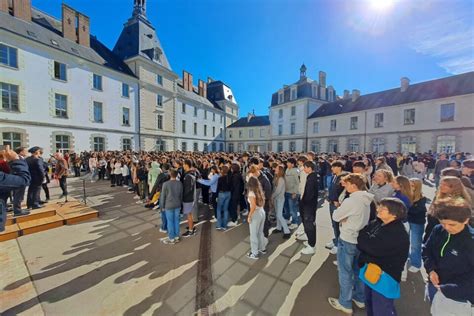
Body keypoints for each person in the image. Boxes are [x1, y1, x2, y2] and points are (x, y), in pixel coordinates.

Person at [329, 173, 373, 314]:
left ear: (353, 186)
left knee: (345, 273)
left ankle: (345, 303)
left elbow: (336, 216)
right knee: (358, 271)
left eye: (347, 184)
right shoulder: (366, 199)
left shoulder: (351, 200)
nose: (345, 186)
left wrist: (344, 217)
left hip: (348, 238)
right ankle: (359, 298)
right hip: (360, 239)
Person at [357, 198, 410, 316]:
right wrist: (364, 239)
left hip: (385, 277)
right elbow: (363, 234)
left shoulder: (397, 233)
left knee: (381, 309)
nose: (378, 209)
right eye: (379, 206)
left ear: (394, 214)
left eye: (383, 208)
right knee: (369, 303)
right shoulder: (379, 222)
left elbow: (367, 245)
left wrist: (363, 239)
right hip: (371, 273)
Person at [422, 199, 473, 316]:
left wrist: (447, 289)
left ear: (466, 220)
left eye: (452, 224)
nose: (446, 228)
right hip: (434, 286)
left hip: (458, 299)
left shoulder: (471, 241)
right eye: (443, 223)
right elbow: (427, 250)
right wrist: (431, 270)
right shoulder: (438, 230)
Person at [424, 176, 472, 243]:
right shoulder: (439, 196)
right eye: (441, 184)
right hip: (433, 229)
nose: (441, 186)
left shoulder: (458, 203)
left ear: (454, 187)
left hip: (447, 233)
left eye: (445, 185)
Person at [0, 145, 31, 231]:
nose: (27, 152)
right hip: (14, 180)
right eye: (25, 150)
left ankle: (18, 209)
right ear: (21, 152)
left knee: (19, 196)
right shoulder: (15, 159)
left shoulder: (23, 159)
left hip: (9, 183)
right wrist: (15, 160)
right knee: (18, 195)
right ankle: (17, 210)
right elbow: (24, 180)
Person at [326, 160, 348, 254]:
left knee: (337, 224)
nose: (332, 168)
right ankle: (336, 239)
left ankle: (338, 245)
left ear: (339, 167)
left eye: (334, 167)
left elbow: (343, 191)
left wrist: (337, 200)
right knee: (334, 224)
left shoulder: (344, 176)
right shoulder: (335, 176)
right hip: (332, 202)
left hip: (337, 204)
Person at [407, 178, 427, 273]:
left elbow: (416, 211)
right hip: (407, 221)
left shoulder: (422, 198)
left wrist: (408, 208)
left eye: (412, 185)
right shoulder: (406, 195)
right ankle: (407, 257)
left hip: (417, 223)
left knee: (415, 244)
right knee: (406, 241)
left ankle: (416, 263)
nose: (410, 187)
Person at [299, 161, 319, 255]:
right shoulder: (312, 176)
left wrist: (303, 202)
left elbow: (309, 194)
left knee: (309, 225)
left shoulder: (312, 178)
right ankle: (310, 242)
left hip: (309, 206)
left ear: (310, 168)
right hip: (309, 205)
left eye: (305, 167)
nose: (304, 169)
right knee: (308, 224)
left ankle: (312, 246)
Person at [159, 168, 183, 244]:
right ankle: (177, 236)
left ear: (170, 175)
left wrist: (162, 206)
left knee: (170, 222)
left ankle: (171, 238)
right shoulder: (180, 183)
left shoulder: (165, 184)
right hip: (177, 204)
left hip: (168, 205)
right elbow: (181, 195)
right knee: (176, 221)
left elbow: (163, 196)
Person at [246, 176, 266, 260]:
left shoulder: (251, 193)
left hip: (255, 213)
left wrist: (249, 215)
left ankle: (254, 253)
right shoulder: (259, 190)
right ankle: (262, 248)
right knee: (260, 232)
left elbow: (253, 206)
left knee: (253, 234)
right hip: (262, 211)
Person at [272, 165, 290, 239]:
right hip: (276, 198)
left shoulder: (281, 179)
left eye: (276, 169)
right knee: (277, 214)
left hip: (280, 199)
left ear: (280, 171)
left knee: (279, 215)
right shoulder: (277, 177)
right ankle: (278, 228)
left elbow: (278, 191)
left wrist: (272, 196)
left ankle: (287, 231)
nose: (275, 169)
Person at [182, 159, 197, 237]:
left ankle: (191, 231)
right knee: (190, 214)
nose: (183, 165)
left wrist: (182, 196)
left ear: (187, 165)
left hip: (188, 199)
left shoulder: (188, 176)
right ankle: (192, 227)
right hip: (190, 198)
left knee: (189, 215)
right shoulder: (191, 174)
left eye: (183, 164)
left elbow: (188, 189)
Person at [284, 158, 300, 230]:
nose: (287, 164)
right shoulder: (287, 169)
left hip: (292, 193)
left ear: (293, 164)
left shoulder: (296, 171)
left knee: (293, 209)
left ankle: (295, 222)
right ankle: (287, 219)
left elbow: (298, 182)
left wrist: (295, 192)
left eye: (288, 163)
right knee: (286, 207)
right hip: (286, 191)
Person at [216, 165, 232, 230]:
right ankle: (224, 225)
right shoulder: (230, 177)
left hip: (221, 193)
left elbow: (218, 188)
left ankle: (219, 225)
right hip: (228, 193)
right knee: (225, 209)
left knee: (219, 209)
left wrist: (216, 196)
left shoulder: (220, 178)